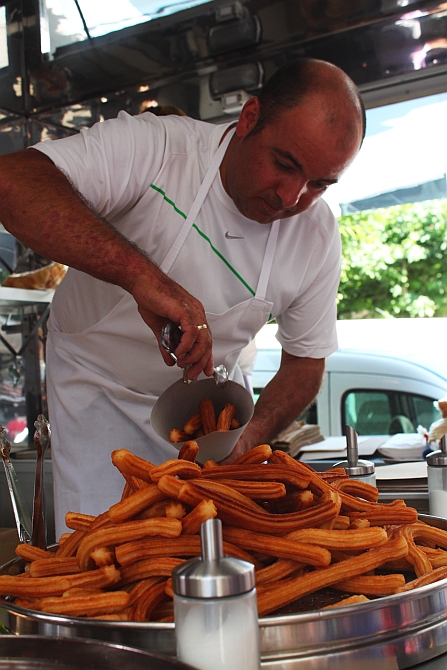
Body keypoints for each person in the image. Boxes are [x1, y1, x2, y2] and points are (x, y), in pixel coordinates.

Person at [0, 58, 365, 537]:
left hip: (209, 427)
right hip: (100, 404)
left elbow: (305, 364)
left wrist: (248, 437)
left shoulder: (316, 235)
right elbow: (12, 183)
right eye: (284, 164)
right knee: (106, 558)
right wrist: (141, 275)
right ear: (249, 118)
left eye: (319, 183)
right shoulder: (161, 149)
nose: (291, 197)